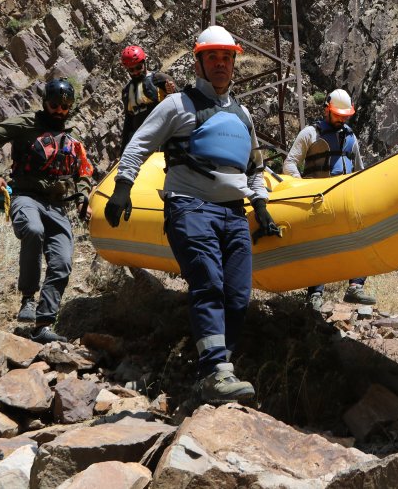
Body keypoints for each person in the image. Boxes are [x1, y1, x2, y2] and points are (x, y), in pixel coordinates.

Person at [104, 25, 282, 405]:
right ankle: (217, 370)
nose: (221, 64)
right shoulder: (175, 105)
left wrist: (262, 207)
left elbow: (254, 167)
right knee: (209, 283)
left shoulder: (242, 113)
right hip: (190, 206)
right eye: (213, 57)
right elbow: (138, 146)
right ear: (198, 62)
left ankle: (215, 372)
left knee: (237, 296)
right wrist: (122, 187)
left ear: (235, 63)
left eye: (227, 57)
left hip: (234, 213)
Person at [0, 78, 95, 343]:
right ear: (45, 103)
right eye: (54, 105)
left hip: (57, 205)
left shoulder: (71, 132)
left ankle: (42, 325)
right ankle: (28, 299)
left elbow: (83, 169)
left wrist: (82, 198)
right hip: (26, 196)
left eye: (65, 107)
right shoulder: (27, 123)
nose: (59, 111)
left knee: (62, 262)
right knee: (32, 229)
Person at [282, 89, 375, 311]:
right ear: (327, 110)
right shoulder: (310, 134)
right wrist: (304, 186)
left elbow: (359, 170)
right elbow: (290, 163)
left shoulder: (351, 137)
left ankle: (356, 286)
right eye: (337, 114)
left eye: (345, 115)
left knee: (361, 239)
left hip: (346, 199)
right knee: (319, 247)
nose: (342, 119)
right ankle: (314, 293)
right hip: (319, 200)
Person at [119, 45, 177, 153]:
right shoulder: (127, 92)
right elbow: (128, 122)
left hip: (164, 137)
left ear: (145, 63)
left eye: (138, 67)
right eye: (131, 70)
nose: (136, 72)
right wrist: (123, 151)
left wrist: (173, 92)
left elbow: (180, 103)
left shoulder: (161, 79)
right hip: (142, 143)